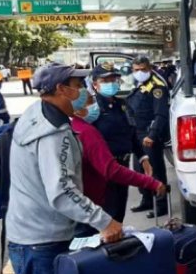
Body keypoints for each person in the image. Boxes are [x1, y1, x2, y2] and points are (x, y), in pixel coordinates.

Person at [6, 63, 124, 274]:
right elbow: (61, 191)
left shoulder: (37, 114)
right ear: (61, 89)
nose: (83, 90)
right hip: (38, 241)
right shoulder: (52, 133)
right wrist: (105, 222)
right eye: (77, 84)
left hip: (37, 234)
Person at [71, 93, 167, 237]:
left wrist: (142, 157)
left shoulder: (72, 126)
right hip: (98, 190)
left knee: (115, 220)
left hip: (100, 185)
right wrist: (151, 183)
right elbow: (111, 170)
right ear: (78, 108)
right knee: (104, 233)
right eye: (90, 102)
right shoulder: (86, 131)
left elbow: (130, 132)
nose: (94, 106)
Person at [90, 62, 153, 223]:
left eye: (114, 79)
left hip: (123, 167)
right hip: (104, 170)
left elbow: (131, 133)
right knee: (106, 217)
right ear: (95, 85)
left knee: (119, 213)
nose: (111, 84)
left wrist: (142, 158)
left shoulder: (122, 105)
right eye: (105, 81)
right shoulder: (92, 108)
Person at [126, 56, 170, 218]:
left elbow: (161, 114)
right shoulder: (138, 84)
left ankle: (161, 204)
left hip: (149, 133)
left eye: (143, 69)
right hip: (137, 132)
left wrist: (152, 135)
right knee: (139, 169)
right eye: (136, 70)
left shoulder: (157, 87)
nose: (139, 73)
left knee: (155, 170)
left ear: (149, 68)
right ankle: (146, 199)